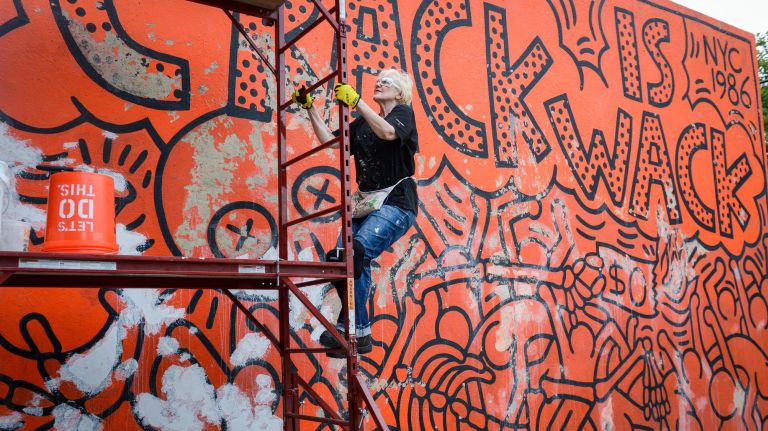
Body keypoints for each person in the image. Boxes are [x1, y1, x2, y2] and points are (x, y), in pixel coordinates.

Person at [292, 68, 419, 356]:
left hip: (397, 202)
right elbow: (331, 142)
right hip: (366, 204)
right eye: (378, 80)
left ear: (399, 92)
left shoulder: (403, 114)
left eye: (386, 82)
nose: (379, 83)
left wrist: (357, 102)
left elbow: (388, 132)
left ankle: (353, 330)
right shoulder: (363, 122)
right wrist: (310, 108)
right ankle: (356, 332)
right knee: (340, 260)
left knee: (356, 252)